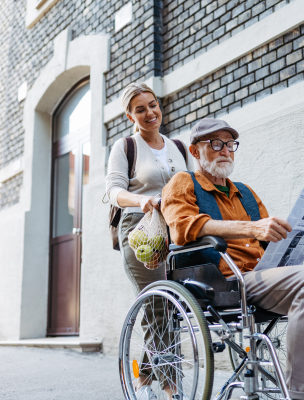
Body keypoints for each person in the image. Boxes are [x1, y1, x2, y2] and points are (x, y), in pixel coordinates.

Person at [161, 118, 304, 400]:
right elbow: (181, 228)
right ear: (195, 152)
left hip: (267, 275)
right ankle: (298, 395)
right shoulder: (183, 182)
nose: (225, 150)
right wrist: (251, 228)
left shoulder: (244, 192)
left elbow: (271, 237)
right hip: (228, 281)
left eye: (230, 144)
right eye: (216, 143)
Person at [105, 82, 189, 400]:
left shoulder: (178, 147)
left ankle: (141, 381)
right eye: (140, 109)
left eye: (152, 105)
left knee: (174, 309)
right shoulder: (126, 146)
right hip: (141, 234)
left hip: (177, 233)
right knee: (159, 307)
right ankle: (172, 390)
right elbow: (113, 190)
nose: (150, 112)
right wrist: (140, 200)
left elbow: (190, 187)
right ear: (131, 115)